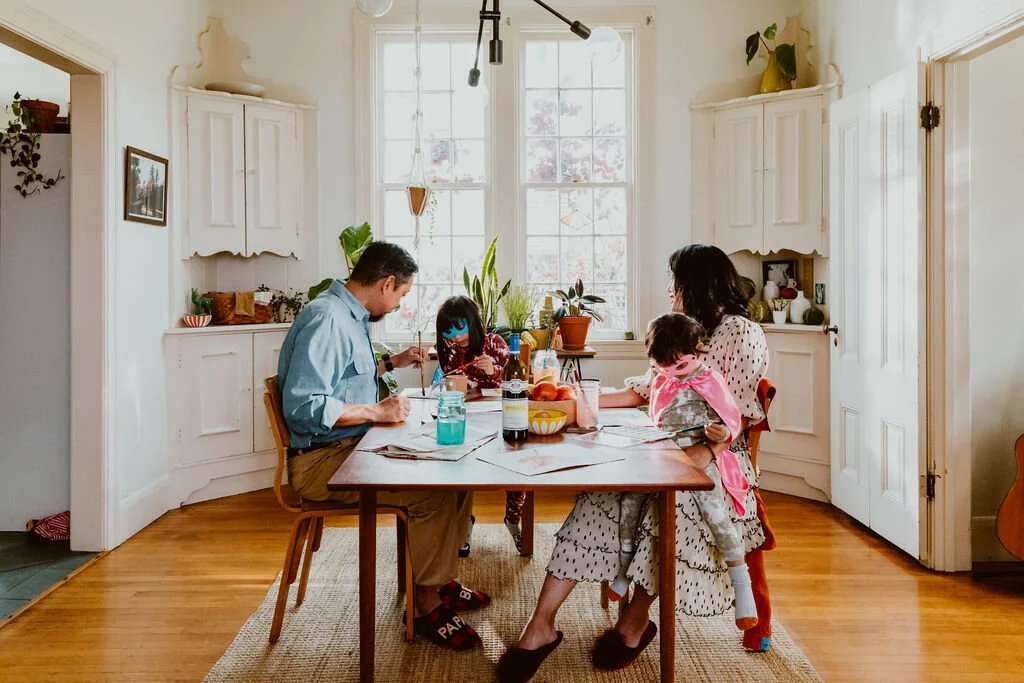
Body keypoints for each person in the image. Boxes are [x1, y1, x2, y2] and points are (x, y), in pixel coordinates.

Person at [497, 244, 772, 682]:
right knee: (597, 496)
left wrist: (695, 462)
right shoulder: (680, 329)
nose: (670, 290)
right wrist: (568, 403)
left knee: (673, 509)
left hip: (715, 458)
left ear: (695, 283)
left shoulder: (739, 333)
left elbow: (733, 420)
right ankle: (541, 625)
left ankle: (634, 622)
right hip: (660, 447)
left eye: (675, 282)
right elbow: (642, 392)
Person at [278, 242, 490, 652]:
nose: (397, 303)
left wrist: (390, 364)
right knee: (433, 491)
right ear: (386, 282)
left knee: (457, 470)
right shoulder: (328, 319)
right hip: (323, 463)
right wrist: (376, 412)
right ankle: (425, 606)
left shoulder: (348, 316)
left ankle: (439, 581)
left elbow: (341, 377)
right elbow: (304, 407)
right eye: (401, 294)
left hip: (349, 447)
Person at [634, 312, 758, 631]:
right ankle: (622, 577)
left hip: (701, 458)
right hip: (663, 455)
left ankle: (742, 583)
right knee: (629, 499)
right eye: (662, 366)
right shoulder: (664, 378)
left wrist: (717, 435)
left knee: (714, 512)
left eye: (677, 366)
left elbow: (730, 423)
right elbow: (657, 416)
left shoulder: (709, 379)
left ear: (697, 350)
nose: (669, 373)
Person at [431, 295, 527, 555]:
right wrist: (452, 380)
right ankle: (464, 521)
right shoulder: (448, 348)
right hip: (467, 417)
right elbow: (452, 385)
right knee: (458, 467)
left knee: (516, 468)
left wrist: (493, 370)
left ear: (473, 323)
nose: (455, 337)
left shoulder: (493, 343)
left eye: (459, 329)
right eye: (448, 331)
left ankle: (514, 519)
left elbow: (515, 379)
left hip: (500, 416)